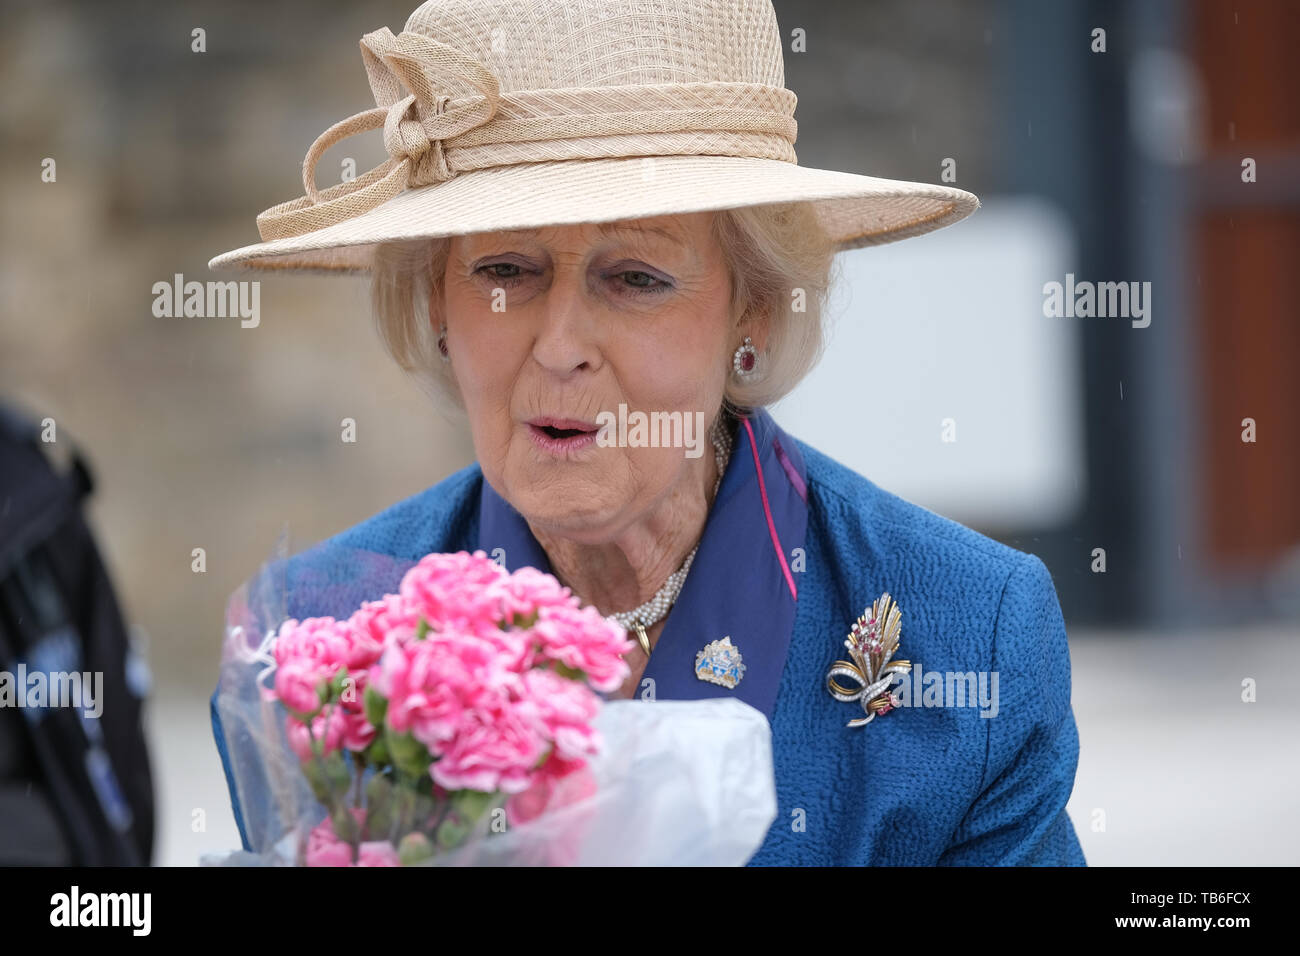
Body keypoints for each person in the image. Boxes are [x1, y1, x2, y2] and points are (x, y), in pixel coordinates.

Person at [208, 0, 1085, 865]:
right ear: (439, 303)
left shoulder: (969, 637)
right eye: (506, 271)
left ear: (756, 312)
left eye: (635, 277)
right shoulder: (312, 645)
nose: (558, 348)